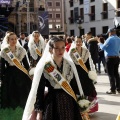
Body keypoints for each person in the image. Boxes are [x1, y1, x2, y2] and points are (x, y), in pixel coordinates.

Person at [22, 36, 86, 120]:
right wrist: (39, 110)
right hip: (52, 102)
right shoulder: (45, 66)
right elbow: (40, 90)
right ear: (50, 49)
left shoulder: (70, 64)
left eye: (63, 47)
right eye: (57, 48)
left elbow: (74, 84)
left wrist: (80, 101)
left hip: (69, 100)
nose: (61, 50)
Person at [0, 32, 32, 119]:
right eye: (12, 39)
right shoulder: (4, 51)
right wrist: (1, 78)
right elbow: (2, 66)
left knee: (22, 93)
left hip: (20, 73)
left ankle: (23, 110)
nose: (14, 41)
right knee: (11, 93)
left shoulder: (22, 50)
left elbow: (26, 65)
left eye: (15, 39)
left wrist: (30, 74)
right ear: (8, 40)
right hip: (9, 74)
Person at [69, 36, 98, 113]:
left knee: (88, 89)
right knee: (76, 90)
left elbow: (88, 64)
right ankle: (77, 109)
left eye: (80, 41)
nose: (78, 43)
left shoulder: (86, 51)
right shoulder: (71, 52)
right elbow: (69, 64)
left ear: (82, 42)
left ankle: (87, 108)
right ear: (74, 42)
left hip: (84, 73)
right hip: (75, 74)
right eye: (76, 42)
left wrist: (90, 73)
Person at [99, 28, 120, 94]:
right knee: (116, 74)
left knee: (111, 74)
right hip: (117, 57)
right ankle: (118, 88)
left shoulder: (110, 39)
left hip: (110, 58)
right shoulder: (119, 39)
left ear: (110, 33)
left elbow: (103, 48)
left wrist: (100, 43)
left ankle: (112, 89)